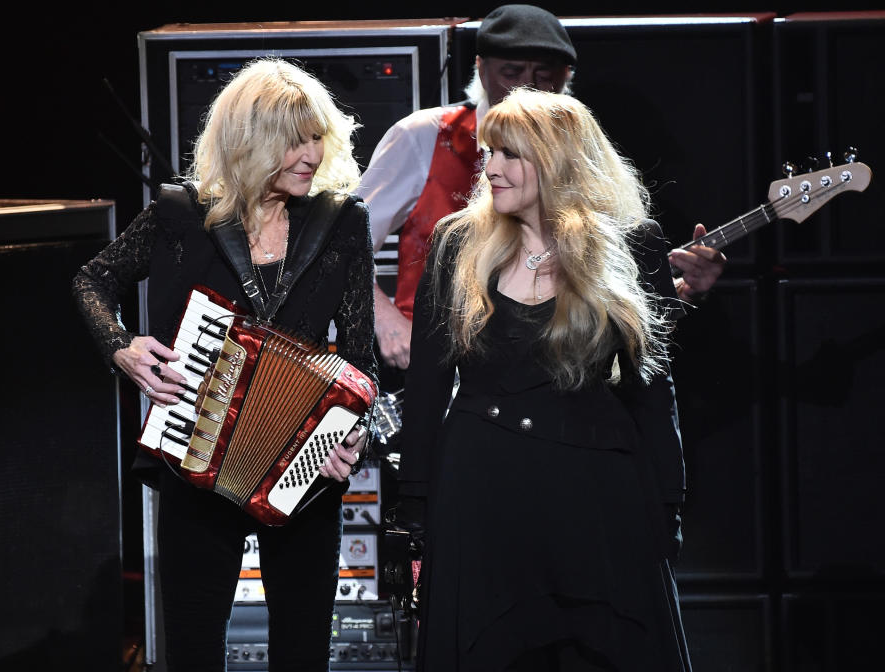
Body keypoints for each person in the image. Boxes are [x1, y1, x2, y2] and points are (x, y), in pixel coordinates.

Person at [72, 58, 378, 671]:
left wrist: (355, 435)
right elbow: (92, 280)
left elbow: (360, 359)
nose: (311, 154)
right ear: (248, 140)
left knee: (302, 652)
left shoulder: (343, 223)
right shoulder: (180, 215)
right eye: (293, 139)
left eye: (317, 135)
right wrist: (122, 347)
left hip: (304, 471)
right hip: (195, 462)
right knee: (193, 650)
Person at [395, 88, 692, 671]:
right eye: (489, 153)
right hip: (482, 492)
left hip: (599, 492)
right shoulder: (458, 242)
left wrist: (668, 502)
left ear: (556, 161)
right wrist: (415, 505)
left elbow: (653, 391)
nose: (491, 169)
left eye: (510, 154)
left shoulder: (632, 246)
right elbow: (429, 388)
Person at [357, 4, 725, 372]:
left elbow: (616, 307)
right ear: (481, 69)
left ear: (565, 79)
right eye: (511, 72)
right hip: (432, 361)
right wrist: (386, 322)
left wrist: (686, 290)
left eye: (543, 75)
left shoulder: (582, 156)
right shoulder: (425, 135)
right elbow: (343, 244)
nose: (526, 87)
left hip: (546, 372)